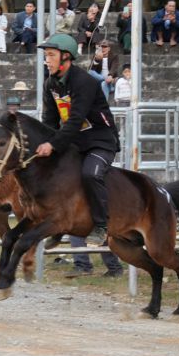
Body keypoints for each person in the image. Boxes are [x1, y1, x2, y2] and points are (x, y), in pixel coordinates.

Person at [37, 34, 120, 247]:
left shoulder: (85, 82)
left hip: (101, 141)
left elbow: (75, 121)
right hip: (75, 143)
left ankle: (101, 226)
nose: (47, 60)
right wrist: (43, 143)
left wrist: (53, 145)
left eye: (51, 55)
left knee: (89, 174)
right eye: (46, 56)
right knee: (51, 172)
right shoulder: (50, 84)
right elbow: (49, 121)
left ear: (66, 57)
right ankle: (57, 224)